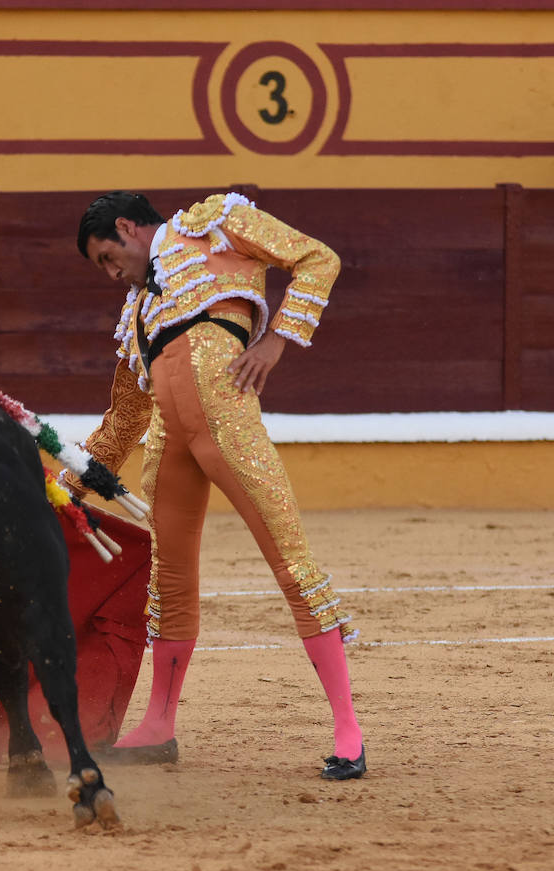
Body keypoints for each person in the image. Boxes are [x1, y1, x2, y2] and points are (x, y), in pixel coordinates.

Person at [68, 191, 365, 780]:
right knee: (169, 583)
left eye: (107, 256)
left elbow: (317, 259)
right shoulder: (135, 315)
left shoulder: (213, 225)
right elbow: (124, 419)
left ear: (128, 226)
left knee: (290, 559)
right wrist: (66, 486)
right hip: (168, 445)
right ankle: (159, 725)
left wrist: (277, 340)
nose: (110, 273)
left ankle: (348, 730)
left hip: (226, 418)